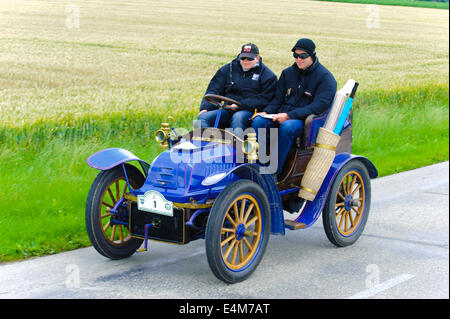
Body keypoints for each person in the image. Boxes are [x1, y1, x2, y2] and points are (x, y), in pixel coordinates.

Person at [251, 38, 337, 175]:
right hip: (282, 115)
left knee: (287, 127)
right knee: (258, 122)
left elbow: (318, 106)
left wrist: (290, 115)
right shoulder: (287, 73)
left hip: (305, 120)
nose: (298, 59)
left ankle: (274, 170)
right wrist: (266, 112)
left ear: (312, 56)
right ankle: (258, 165)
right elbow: (277, 99)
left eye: (302, 56)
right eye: (295, 56)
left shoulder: (325, 78)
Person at [195, 43, 277, 133]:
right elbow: (214, 89)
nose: (246, 61)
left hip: (250, 111)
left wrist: (241, 104)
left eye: (250, 58)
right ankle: (208, 144)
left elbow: (264, 98)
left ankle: (236, 146)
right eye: (243, 58)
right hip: (227, 109)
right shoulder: (227, 69)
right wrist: (205, 108)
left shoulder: (267, 75)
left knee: (238, 117)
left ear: (257, 58)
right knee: (202, 118)